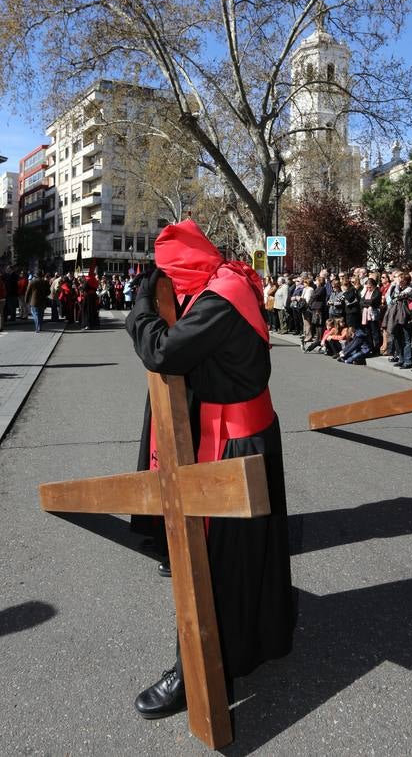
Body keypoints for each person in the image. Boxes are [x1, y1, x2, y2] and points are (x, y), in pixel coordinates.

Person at [125, 219, 294, 719]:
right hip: (251, 433)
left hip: (236, 441)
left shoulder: (219, 299)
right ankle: (256, 641)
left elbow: (162, 352)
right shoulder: (228, 282)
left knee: (217, 562)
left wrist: (139, 309)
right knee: (249, 556)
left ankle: (197, 669)